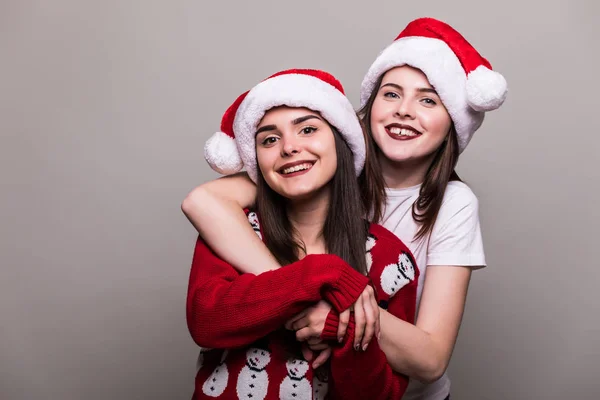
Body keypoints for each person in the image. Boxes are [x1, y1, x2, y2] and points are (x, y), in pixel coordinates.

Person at [183, 18, 508, 400]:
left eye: (428, 99)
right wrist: (307, 289)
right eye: (390, 94)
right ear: (365, 110)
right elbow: (202, 202)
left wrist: (336, 317)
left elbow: (431, 358)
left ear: (453, 120)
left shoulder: (449, 207)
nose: (404, 110)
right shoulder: (316, 164)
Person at [187, 68, 419, 399]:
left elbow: (380, 394)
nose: (289, 148)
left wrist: (342, 330)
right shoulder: (237, 231)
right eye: (269, 139)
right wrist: (326, 274)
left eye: (307, 129)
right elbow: (207, 322)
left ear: (341, 142)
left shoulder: (390, 260)